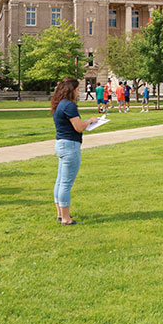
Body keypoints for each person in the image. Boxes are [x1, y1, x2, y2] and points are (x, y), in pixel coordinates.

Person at [51, 77, 98, 225]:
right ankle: (66, 219)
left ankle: (60, 214)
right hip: (70, 146)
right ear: (71, 90)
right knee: (65, 183)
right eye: (77, 89)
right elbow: (78, 127)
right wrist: (90, 121)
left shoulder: (59, 104)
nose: (78, 92)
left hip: (61, 144)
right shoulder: (69, 106)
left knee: (60, 181)